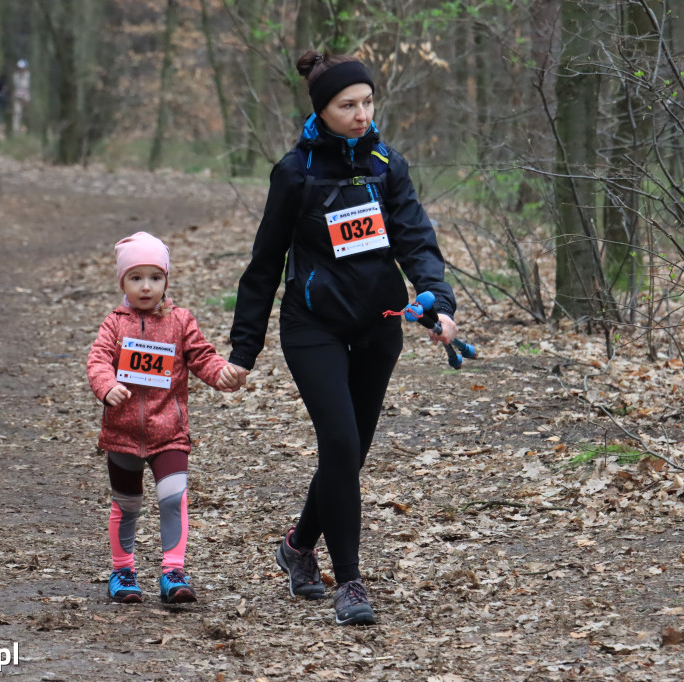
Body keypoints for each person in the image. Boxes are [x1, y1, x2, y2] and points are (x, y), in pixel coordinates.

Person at [226, 51, 457, 625]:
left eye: (367, 102)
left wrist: (438, 301)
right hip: (314, 326)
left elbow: (416, 241)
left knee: (349, 454)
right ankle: (349, 581)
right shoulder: (295, 173)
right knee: (341, 444)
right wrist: (243, 351)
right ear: (322, 110)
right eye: (347, 105)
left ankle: (297, 547)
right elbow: (263, 264)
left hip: (378, 323)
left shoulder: (387, 165)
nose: (361, 114)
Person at [87, 231, 243, 604]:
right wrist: (107, 387)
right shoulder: (115, 323)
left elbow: (203, 357)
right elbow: (97, 360)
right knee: (127, 503)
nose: (146, 287)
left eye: (155, 278)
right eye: (136, 278)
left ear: (166, 281)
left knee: (173, 498)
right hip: (123, 431)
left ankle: (173, 570)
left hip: (169, 431)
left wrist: (221, 373)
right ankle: (123, 571)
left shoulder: (180, 321)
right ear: (122, 281)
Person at [11, 59, 30, 134]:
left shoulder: (27, 75)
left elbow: (26, 86)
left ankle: (26, 129)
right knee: (17, 112)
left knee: (26, 114)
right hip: (18, 96)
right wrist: (19, 97)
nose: (21, 69)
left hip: (26, 96)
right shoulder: (15, 75)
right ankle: (15, 129)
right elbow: (17, 86)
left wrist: (25, 98)